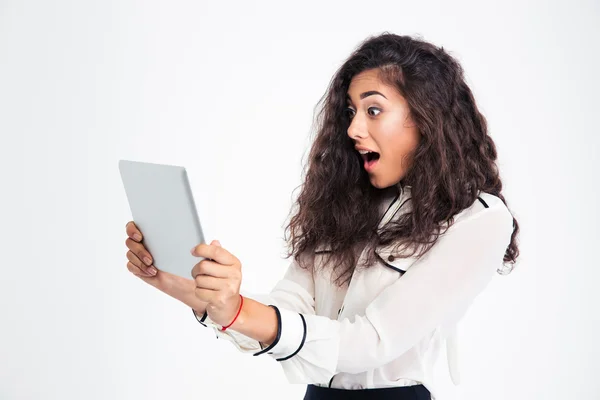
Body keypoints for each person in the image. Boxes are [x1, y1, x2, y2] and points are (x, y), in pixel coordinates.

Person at [124, 32, 520, 400]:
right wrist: (201, 296)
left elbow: (370, 342)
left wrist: (240, 312)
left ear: (427, 116)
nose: (353, 128)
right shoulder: (347, 204)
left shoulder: (478, 220)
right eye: (351, 111)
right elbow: (289, 308)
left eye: (374, 109)